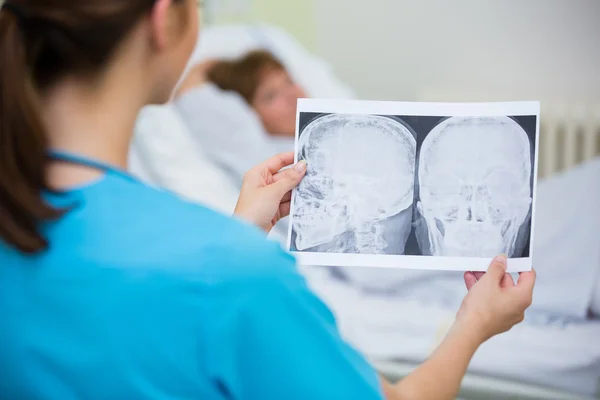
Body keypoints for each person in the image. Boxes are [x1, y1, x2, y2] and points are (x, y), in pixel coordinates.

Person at [0, 1, 536, 400]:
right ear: (164, 21)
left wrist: (237, 234)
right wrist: (474, 325)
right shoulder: (233, 274)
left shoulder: (218, 259)